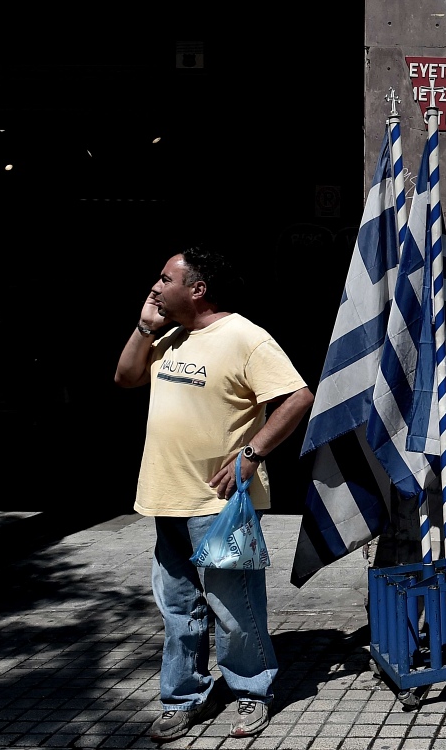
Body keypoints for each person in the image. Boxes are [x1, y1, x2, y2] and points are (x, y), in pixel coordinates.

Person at [115, 246, 313, 743]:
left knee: (235, 606)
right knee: (178, 607)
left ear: (197, 289)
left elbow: (298, 396)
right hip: (166, 497)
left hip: (224, 504)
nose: (156, 287)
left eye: (165, 279)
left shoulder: (245, 336)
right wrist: (145, 326)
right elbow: (125, 377)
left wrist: (253, 452)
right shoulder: (171, 337)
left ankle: (251, 689)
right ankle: (183, 697)